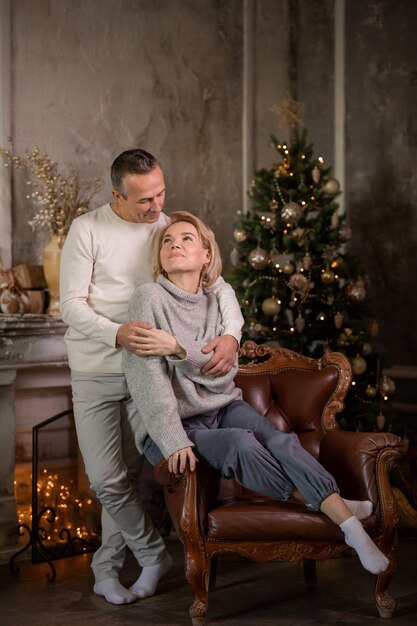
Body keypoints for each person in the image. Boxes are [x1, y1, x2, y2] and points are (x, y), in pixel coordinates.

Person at [123, 211, 389, 577]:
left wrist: (177, 347)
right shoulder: (147, 298)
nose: (175, 245)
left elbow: (224, 375)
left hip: (220, 403)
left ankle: (350, 529)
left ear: (206, 255)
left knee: (276, 438)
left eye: (186, 239)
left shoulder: (216, 301)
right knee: (239, 443)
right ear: (160, 258)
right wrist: (172, 440)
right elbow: (146, 380)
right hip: (170, 427)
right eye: (167, 241)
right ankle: (340, 510)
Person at [60, 150, 244, 605]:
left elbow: (215, 282)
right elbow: (70, 305)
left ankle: (105, 571)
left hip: (154, 375)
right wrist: (117, 333)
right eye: (144, 199)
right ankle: (153, 553)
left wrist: (231, 335)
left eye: (161, 192)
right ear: (117, 194)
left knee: (140, 478)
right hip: (96, 371)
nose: (157, 206)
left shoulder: (167, 228)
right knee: (106, 480)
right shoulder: (87, 229)